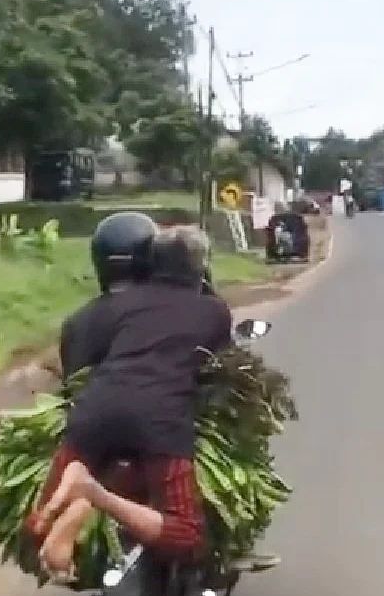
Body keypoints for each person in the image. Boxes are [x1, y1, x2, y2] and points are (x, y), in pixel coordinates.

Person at [28, 219, 233, 577]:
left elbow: (78, 364)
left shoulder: (113, 308)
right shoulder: (213, 311)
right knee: (187, 536)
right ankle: (95, 496)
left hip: (92, 414)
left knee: (37, 527)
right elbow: (218, 366)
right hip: (160, 423)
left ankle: (81, 503)